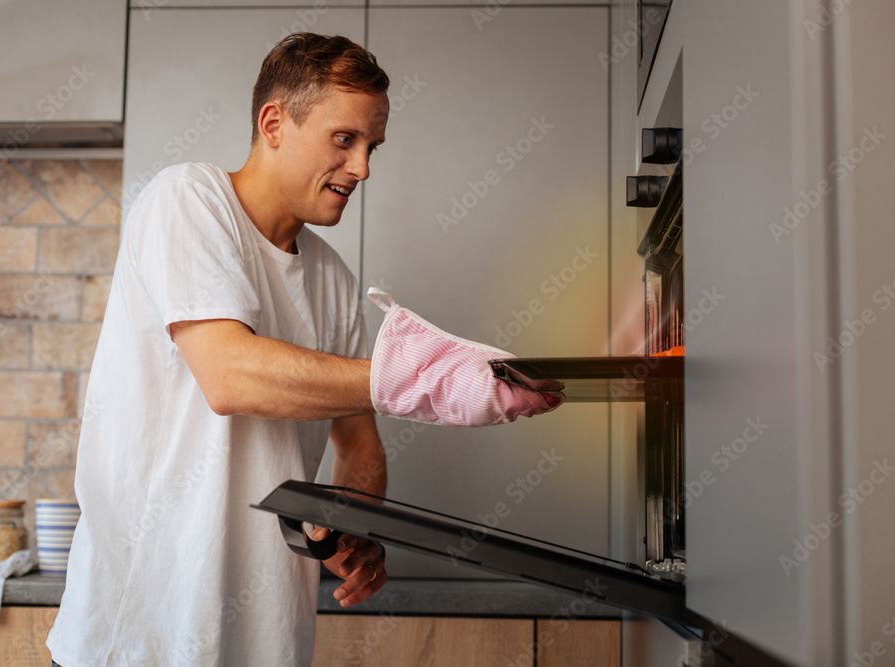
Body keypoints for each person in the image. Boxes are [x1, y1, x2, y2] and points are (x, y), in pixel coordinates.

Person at [46, 33, 558, 667]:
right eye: (345, 140)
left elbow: (359, 447)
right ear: (274, 123)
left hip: (265, 637)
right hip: (140, 637)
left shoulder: (334, 280)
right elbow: (230, 376)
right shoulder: (188, 200)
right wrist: (421, 378)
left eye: (372, 147)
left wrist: (352, 531)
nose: (363, 167)